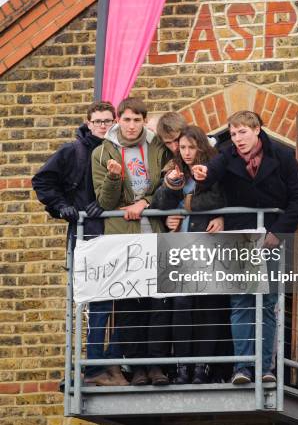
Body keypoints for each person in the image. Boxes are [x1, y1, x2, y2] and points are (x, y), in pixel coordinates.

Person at [192, 111, 298, 385]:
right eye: (233, 134)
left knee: (267, 304)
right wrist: (202, 174)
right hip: (240, 238)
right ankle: (243, 368)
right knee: (242, 302)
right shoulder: (226, 154)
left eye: (242, 132)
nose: (237, 139)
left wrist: (278, 233)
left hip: (270, 238)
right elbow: (211, 178)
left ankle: (265, 368)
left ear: (257, 129)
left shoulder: (281, 155)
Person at [32, 101, 128, 386]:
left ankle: (110, 361)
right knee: (98, 304)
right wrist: (63, 206)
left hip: (118, 233)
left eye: (107, 120)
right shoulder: (72, 152)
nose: (102, 125)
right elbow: (42, 181)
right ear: (88, 123)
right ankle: (97, 365)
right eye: (97, 121)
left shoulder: (122, 150)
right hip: (89, 236)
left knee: (128, 302)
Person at [92, 96, 171, 386]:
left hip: (156, 232)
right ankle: (137, 368)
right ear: (118, 121)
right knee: (129, 306)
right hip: (123, 237)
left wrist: (144, 202)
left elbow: (165, 186)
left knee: (158, 303)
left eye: (137, 119)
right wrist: (114, 178)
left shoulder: (157, 147)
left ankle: (157, 367)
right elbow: (105, 201)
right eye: (126, 119)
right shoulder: (102, 153)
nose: (131, 125)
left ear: (143, 121)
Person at [152, 125, 230, 384]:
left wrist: (189, 206)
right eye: (182, 147)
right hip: (179, 249)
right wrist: (170, 187)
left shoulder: (213, 168)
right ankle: (182, 366)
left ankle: (202, 367)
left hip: (208, 247)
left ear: (201, 147)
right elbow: (159, 204)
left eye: (191, 147)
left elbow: (222, 198)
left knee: (208, 308)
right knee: (182, 306)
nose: (186, 152)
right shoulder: (175, 169)